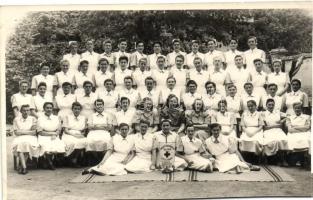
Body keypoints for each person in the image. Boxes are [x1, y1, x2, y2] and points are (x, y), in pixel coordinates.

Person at [86, 99, 115, 164]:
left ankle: (103, 159)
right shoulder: (91, 115)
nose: (99, 106)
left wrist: (95, 126)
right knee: (89, 141)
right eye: (97, 105)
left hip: (105, 132)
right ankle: (96, 159)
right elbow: (89, 127)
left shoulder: (108, 115)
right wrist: (103, 126)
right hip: (93, 133)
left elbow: (109, 127)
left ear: (103, 106)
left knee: (107, 141)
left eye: (100, 104)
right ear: (95, 106)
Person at [37, 102, 65, 170]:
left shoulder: (56, 118)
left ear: (52, 109)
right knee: (46, 145)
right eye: (47, 108)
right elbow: (40, 132)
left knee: (59, 144)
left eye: (50, 108)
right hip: (43, 136)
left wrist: (55, 135)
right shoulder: (40, 118)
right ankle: (50, 163)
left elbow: (59, 129)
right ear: (44, 109)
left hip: (54, 136)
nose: (49, 109)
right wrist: (52, 134)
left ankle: (50, 161)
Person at [12, 104, 39, 174]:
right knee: (20, 144)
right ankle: (24, 167)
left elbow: (33, 132)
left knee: (27, 144)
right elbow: (16, 133)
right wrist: (28, 131)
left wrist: (21, 131)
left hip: (31, 138)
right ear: (21, 111)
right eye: (24, 110)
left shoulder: (33, 119)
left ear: (30, 111)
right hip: (19, 138)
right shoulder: (16, 119)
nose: (26, 112)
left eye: (28, 110)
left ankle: (22, 166)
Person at [262, 99, 288, 165]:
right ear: (266, 105)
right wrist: (276, 126)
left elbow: (289, 115)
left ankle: (282, 159)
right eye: (269, 105)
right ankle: (275, 159)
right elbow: (264, 127)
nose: (271, 106)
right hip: (268, 131)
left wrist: (283, 120)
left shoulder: (278, 112)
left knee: (283, 139)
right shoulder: (263, 114)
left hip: (278, 130)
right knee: (273, 141)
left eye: (272, 105)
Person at [62, 102, 87, 167]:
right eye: (75, 109)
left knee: (85, 141)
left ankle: (74, 158)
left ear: (80, 110)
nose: (77, 110)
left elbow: (84, 131)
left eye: (78, 109)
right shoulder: (67, 117)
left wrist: (81, 135)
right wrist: (74, 135)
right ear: (72, 109)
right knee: (73, 142)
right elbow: (66, 130)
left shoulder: (84, 118)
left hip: (79, 134)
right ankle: (70, 159)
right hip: (68, 134)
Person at [286, 102, 311, 167]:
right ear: (293, 109)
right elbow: (290, 130)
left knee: (307, 139)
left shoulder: (307, 117)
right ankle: (295, 159)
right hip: (293, 134)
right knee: (292, 139)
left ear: (301, 109)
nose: (297, 110)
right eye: (296, 108)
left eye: (299, 108)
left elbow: (307, 127)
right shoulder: (290, 117)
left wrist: (295, 126)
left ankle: (304, 159)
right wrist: (301, 128)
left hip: (304, 133)